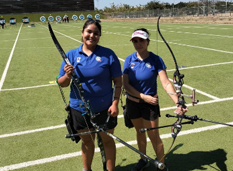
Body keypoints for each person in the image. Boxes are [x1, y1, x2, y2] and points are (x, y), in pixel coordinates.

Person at [57, 19, 122, 171]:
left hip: (105, 108)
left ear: (100, 36)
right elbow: (62, 83)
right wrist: (67, 75)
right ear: (82, 33)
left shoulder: (108, 54)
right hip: (79, 109)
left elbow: (118, 83)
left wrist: (115, 103)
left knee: (107, 141)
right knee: (87, 142)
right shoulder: (71, 55)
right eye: (89, 32)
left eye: (96, 33)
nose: (92, 36)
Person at [123, 28, 188, 171]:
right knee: (140, 132)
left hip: (150, 105)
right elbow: (126, 84)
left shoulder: (156, 59)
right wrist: (142, 96)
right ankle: (143, 159)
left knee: (154, 135)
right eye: (135, 41)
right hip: (133, 103)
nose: (138, 43)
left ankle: (161, 165)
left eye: (141, 40)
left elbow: (165, 83)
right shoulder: (129, 60)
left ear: (148, 42)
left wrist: (178, 101)